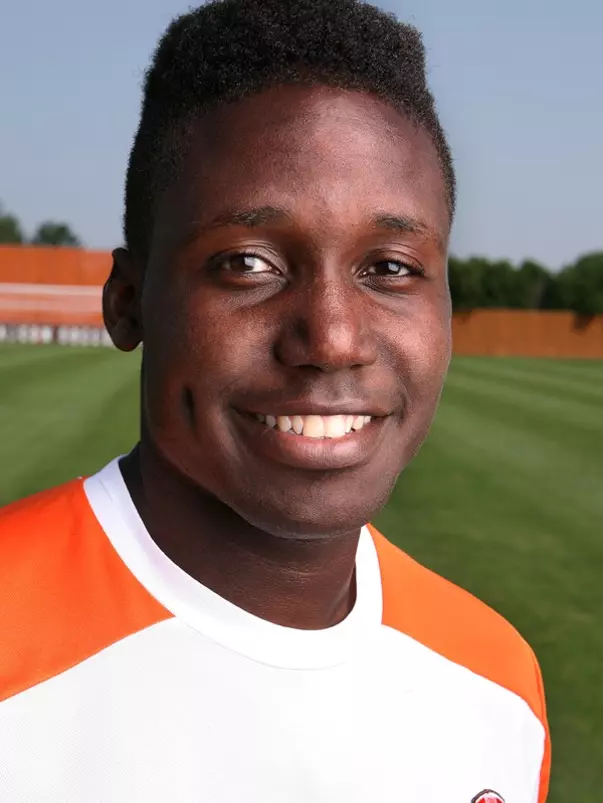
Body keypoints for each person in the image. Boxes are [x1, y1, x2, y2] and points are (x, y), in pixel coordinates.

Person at [0, 1, 550, 801]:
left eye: (389, 268)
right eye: (247, 262)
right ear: (126, 302)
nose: (331, 338)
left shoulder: (497, 683)